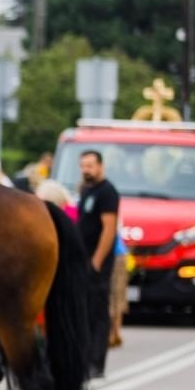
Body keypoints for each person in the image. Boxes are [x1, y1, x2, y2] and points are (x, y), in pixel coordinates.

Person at [77, 149, 120, 377]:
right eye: (83, 166)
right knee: (84, 311)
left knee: (97, 312)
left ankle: (96, 362)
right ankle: (84, 360)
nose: (86, 170)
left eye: (90, 166)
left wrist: (97, 261)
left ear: (101, 166)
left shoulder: (107, 192)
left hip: (97, 261)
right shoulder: (86, 190)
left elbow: (109, 229)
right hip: (83, 259)